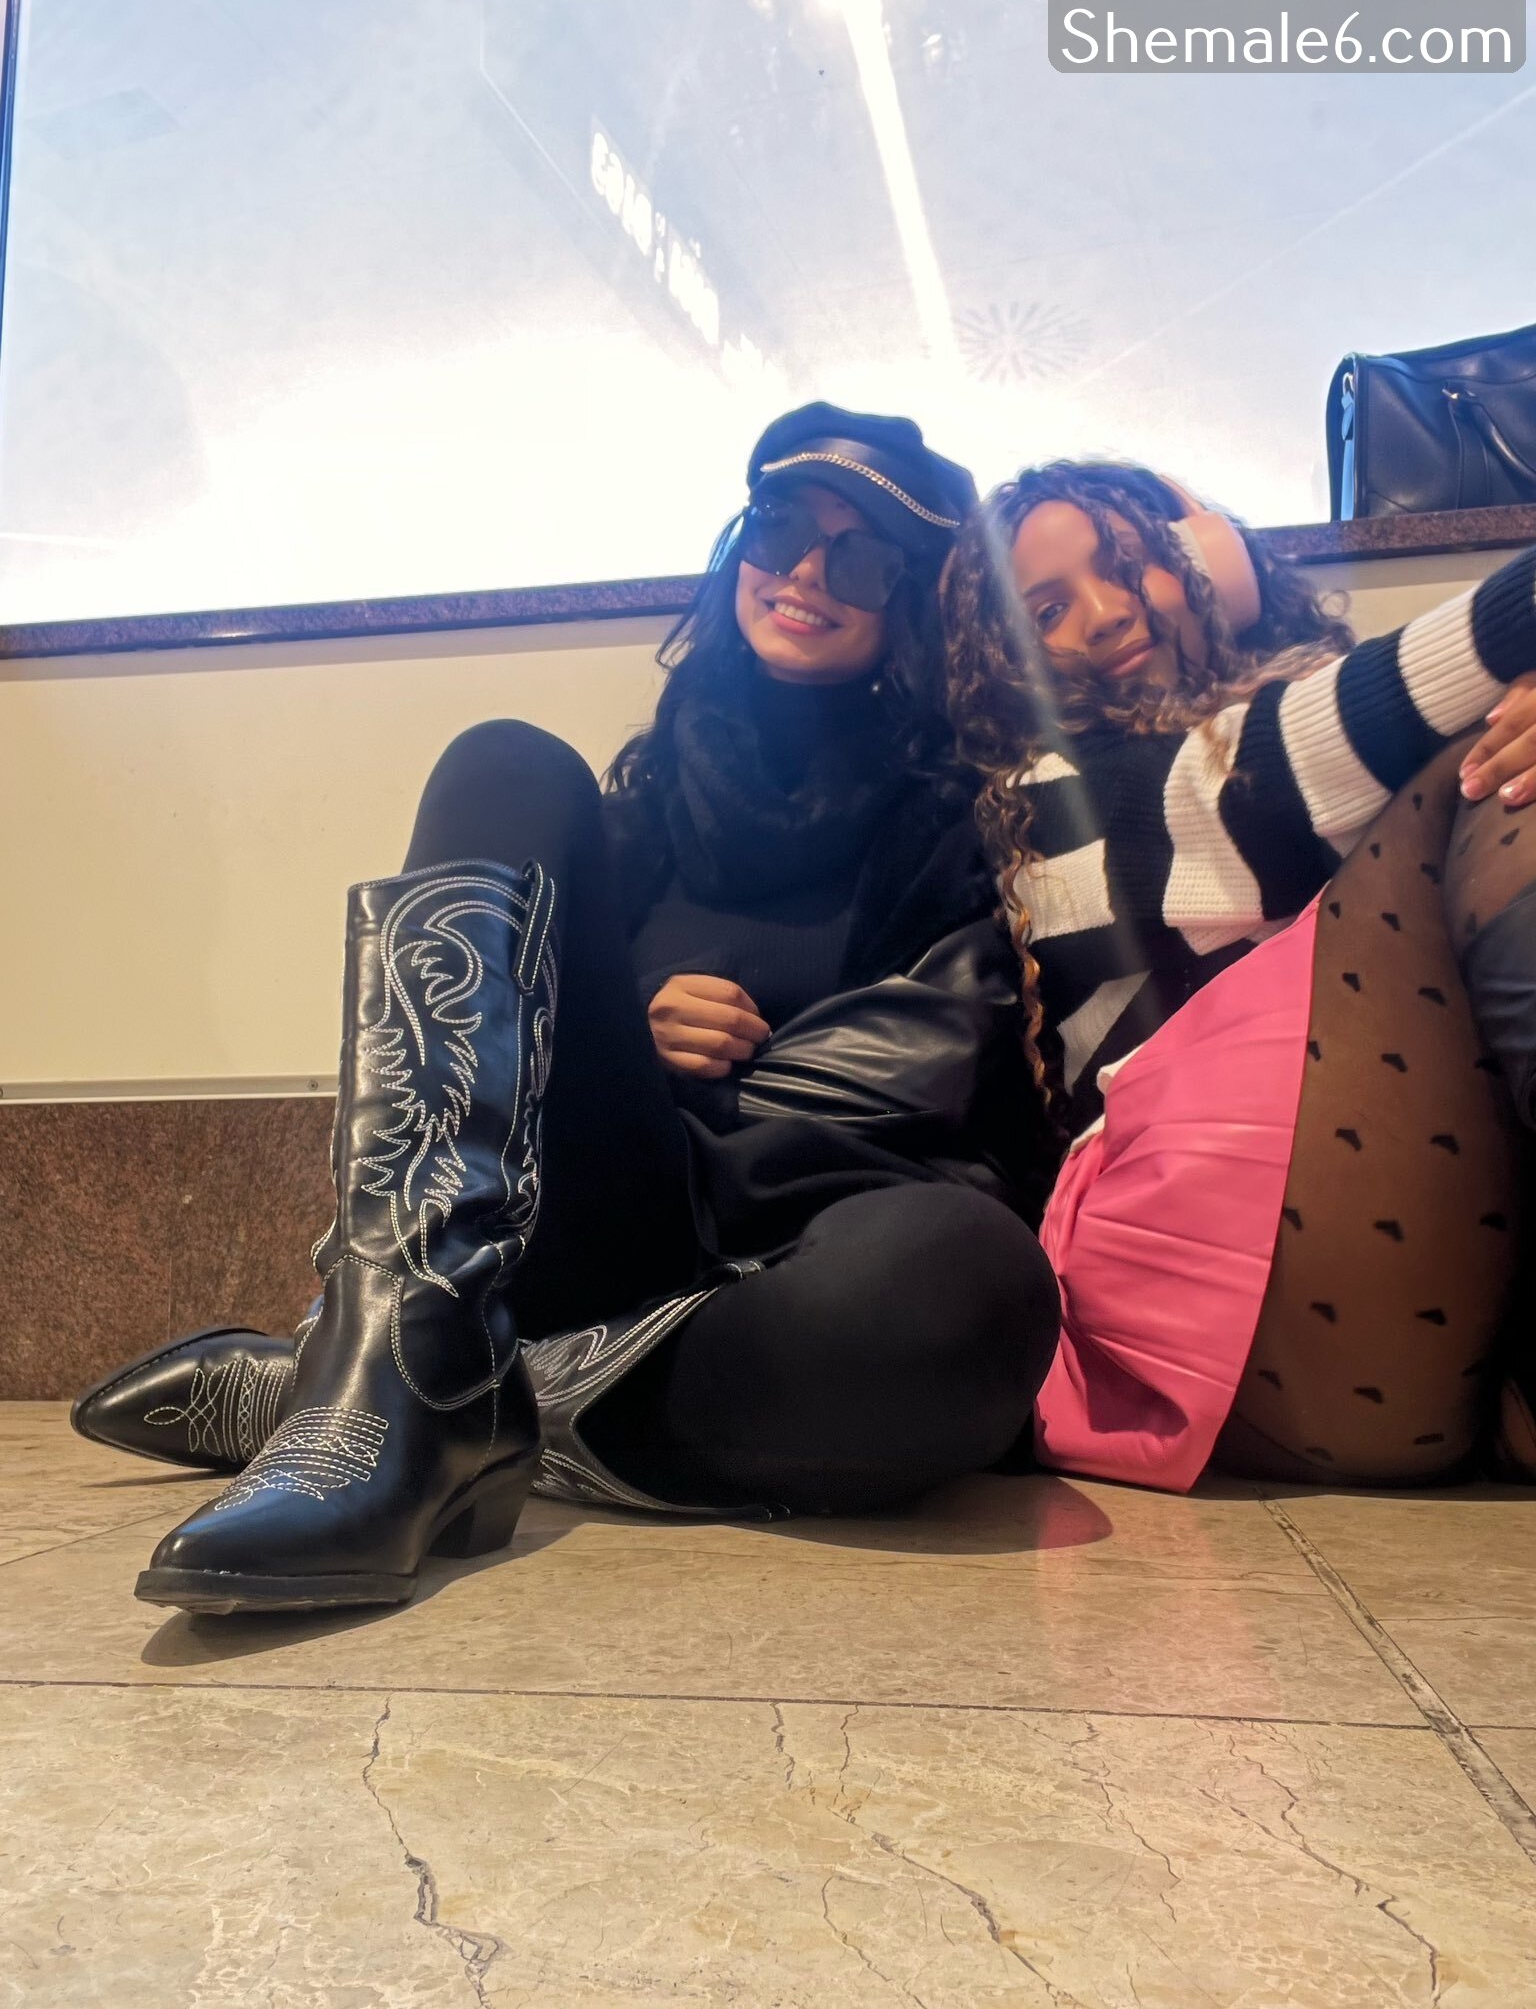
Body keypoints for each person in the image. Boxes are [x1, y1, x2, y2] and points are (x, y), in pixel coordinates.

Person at [80, 404, 1062, 1613]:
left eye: (860, 557)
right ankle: (400, 1358)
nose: (807, 572)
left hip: (799, 1251)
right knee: (503, 759)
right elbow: (517, 1062)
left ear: (917, 603)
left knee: (970, 1293)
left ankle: (415, 1398)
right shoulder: (636, 810)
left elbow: (930, 1081)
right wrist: (631, 1034)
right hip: (600, 1221)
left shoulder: (967, 820)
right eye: (779, 528)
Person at [941, 460, 1536, 1491]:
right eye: (1046, 610)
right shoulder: (1055, 799)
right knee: (1495, 767)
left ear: (1209, 550)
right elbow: (1281, 764)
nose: (1104, 613)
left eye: (1128, 560)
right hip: (1226, 1307)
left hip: (1420, 1271)